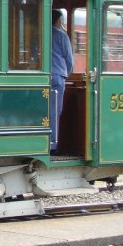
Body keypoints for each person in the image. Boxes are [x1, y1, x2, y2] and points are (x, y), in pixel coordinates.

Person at [51, 9, 74, 151]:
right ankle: (53, 145)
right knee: (55, 111)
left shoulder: (42, 34)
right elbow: (69, 59)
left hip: (43, 77)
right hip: (58, 76)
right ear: (59, 21)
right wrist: (68, 73)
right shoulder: (61, 35)